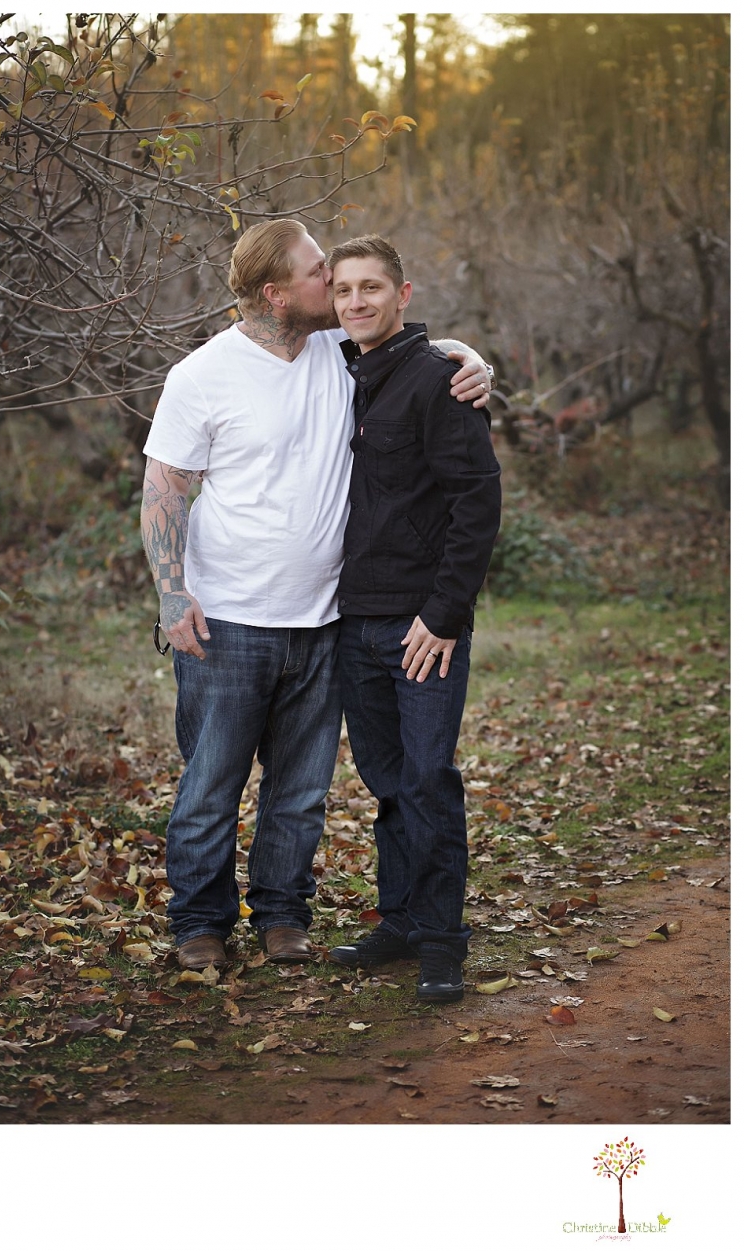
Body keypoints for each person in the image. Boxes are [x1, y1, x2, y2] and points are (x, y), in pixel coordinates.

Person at [140, 219, 495, 972]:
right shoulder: (201, 375)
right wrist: (173, 599)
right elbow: (164, 490)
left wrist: (473, 359)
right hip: (226, 620)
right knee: (210, 783)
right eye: (317, 274)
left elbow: (420, 354)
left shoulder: (340, 354)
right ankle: (200, 922)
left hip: (326, 619)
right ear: (276, 293)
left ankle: (282, 915)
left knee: (300, 793)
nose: (332, 284)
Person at [325, 235, 501, 1003]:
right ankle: (398, 920)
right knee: (388, 780)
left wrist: (444, 615)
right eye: (343, 290)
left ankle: (440, 940)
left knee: (428, 779)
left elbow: (477, 502)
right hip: (351, 620)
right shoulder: (341, 373)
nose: (356, 301)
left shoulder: (439, 381)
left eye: (371, 287)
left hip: (421, 627)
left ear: (404, 293)